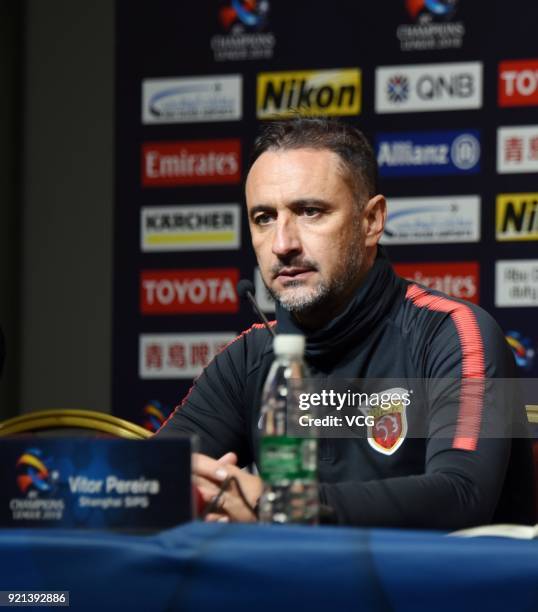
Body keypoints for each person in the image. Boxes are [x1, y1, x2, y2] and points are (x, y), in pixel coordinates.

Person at [156, 117, 535, 529]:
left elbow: (463, 494)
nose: (282, 244)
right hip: (295, 591)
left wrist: (281, 505)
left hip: (440, 590)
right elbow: (149, 479)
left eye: (310, 211)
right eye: (264, 217)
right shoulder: (248, 358)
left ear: (371, 221)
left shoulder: (454, 334)